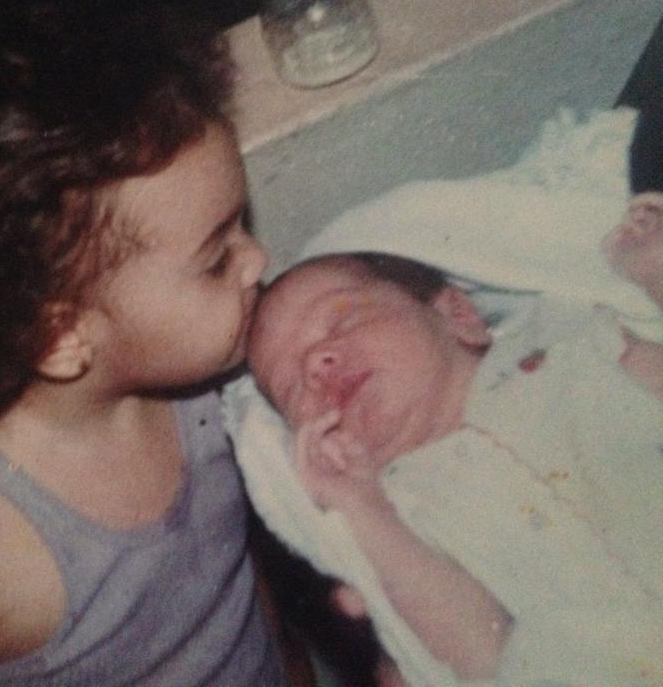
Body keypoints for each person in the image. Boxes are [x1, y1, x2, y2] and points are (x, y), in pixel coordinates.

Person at [0, 3, 296, 687]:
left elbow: (230, 586)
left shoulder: (209, 395)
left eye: (241, 226)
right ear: (60, 335)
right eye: (217, 258)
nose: (258, 260)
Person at [246, 250, 663, 684]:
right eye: (291, 385)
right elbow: (481, 657)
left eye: (343, 321)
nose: (317, 363)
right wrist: (363, 507)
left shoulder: (561, 348)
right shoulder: (396, 514)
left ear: (457, 314)